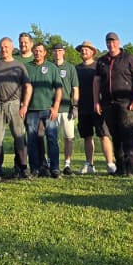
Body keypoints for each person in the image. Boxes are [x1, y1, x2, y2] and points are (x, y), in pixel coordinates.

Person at [0, 37, 32, 180]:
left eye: (6, 47)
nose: (4, 49)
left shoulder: (19, 65)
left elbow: (28, 86)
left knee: (19, 137)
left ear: (12, 48)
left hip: (14, 104)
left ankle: (24, 167)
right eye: (2, 47)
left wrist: (25, 105)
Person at [94, 33, 133, 177]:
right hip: (108, 103)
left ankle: (130, 167)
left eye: (113, 41)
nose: (111, 44)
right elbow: (96, 82)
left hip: (126, 103)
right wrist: (96, 101)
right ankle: (120, 167)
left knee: (127, 134)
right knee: (115, 135)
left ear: (119, 42)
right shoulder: (102, 61)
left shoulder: (129, 59)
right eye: (108, 42)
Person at [74, 41, 116, 174]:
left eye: (86, 49)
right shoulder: (76, 69)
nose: (84, 51)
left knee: (104, 135)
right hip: (83, 107)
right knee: (87, 136)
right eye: (82, 49)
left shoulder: (99, 66)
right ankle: (89, 164)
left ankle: (110, 164)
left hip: (98, 107)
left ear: (92, 52)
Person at [26, 42, 63, 176]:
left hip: (48, 109)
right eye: (36, 51)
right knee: (32, 140)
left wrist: (56, 107)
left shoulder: (51, 67)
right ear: (33, 52)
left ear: (45, 52)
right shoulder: (27, 67)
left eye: (40, 51)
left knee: (52, 138)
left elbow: (59, 88)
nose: (38, 53)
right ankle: (35, 168)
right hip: (31, 110)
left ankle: (55, 168)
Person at [51, 44, 80, 176]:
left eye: (60, 50)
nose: (57, 53)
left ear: (64, 52)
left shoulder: (70, 68)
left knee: (68, 137)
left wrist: (75, 106)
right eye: (55, 51)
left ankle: (67, 164)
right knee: (52, 137)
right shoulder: (50, 67)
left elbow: (75, 89)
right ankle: (51, 162)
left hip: (66, 108)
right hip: (52, 108)